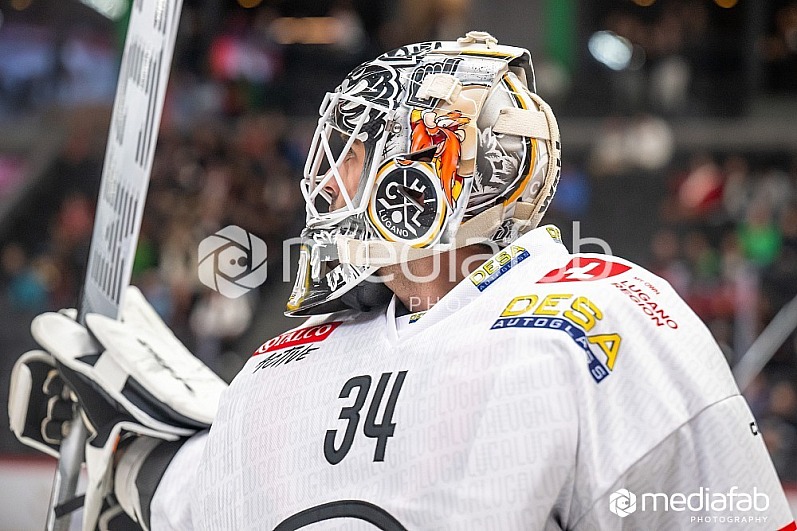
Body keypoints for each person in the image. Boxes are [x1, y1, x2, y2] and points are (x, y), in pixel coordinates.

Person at [9, 31, 796, 530]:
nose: (325, 175)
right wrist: (128, 447)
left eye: (355, 147)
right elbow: (202, 503)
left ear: (435, 172)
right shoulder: (289, 360)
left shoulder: (601, 322)